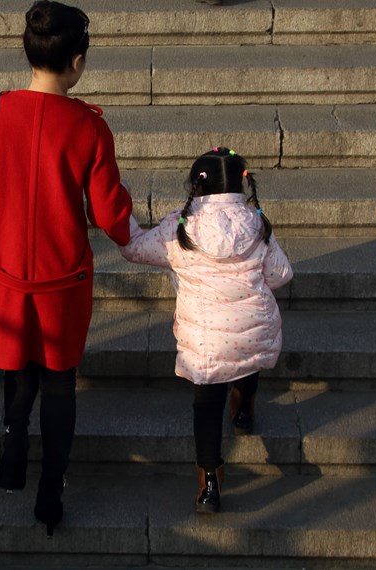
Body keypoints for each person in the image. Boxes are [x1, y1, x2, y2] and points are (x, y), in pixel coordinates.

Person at [0, 0, 133, 536]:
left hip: (1, 277)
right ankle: (50, 493)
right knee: (60, 384)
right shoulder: (89, 127)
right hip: (63, 283)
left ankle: (12, 455)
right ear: (77, 62)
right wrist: (140, 235)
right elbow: (109, 212)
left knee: (16, 372)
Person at [118, 147, 293, 513]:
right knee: (247, 354)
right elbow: (281, 275)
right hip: (254, 327)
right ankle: (244, 407)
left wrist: (122, 206)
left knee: (207, 405)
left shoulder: (180, 227)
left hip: (207, 340)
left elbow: (133, 249)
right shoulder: (257, 223)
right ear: (242, 184)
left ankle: (209, 482)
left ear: (196, 186)